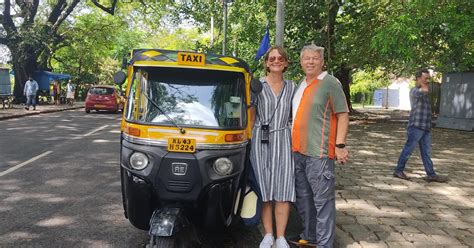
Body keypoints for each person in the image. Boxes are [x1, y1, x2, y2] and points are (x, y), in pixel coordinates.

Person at [291, 44, 349, 247]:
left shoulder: (330, 83)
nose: (310, 61)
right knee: (304, 198)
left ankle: (325, 244)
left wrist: (340, 145)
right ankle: (310, 236)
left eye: (315, 58)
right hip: (298, 151)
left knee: (322, 202)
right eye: (306, 58)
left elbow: (343, 114)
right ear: (301, 62)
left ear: (322, 61)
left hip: (320, 154)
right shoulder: (301, 84)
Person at [250, 46, 295, 248]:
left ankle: (281, 237)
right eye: (272, 58)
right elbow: (250, 115)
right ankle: (268, 234)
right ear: (266, 62)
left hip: (284, 139)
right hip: (260, 139)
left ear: (285, 63)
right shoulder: (256, 85)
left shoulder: (293, 87)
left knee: (283, 189)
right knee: (264, 189)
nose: (276, 61)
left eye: (280, 58)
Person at [393, 69, 448, 183]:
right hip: (416, 126)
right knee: (408, 149)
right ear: (418, 78)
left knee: (426, 152)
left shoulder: (423, 90)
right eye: (425, 78)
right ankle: (398, 170)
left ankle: (431, 175)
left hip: (426, 126)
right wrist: (424, 84)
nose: (427, 81)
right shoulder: (414, 91)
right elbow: (424, 90)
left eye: (428, 78)